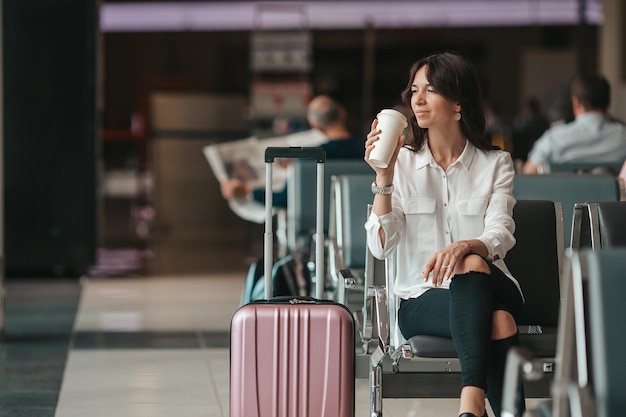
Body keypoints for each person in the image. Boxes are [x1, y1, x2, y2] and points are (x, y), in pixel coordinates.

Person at [364, 51, 523, 417]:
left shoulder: (495, 163)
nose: (417, 100)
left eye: (430, 90)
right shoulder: (400, 163)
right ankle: (490, 406)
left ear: (457, 101)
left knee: (471, 262)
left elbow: (501, 231)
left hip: (493, 282)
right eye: (414, 91)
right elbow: (380, 247)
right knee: (499, 321)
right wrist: (384, 179)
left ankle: (470, 399)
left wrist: (467, 245)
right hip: (422, 299)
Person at [220, 94, 364, 208]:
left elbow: (286, 200)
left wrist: (247, 191)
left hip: (316, 231)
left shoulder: (309, 158)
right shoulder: (371, 153)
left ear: (315, 126)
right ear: (343, 113)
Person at [523, 74, 626, 174]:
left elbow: (529, 171)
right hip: (612, 191)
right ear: (609, 102)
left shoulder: (553, 138)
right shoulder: (623, 136)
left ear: (575, 103)